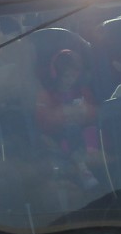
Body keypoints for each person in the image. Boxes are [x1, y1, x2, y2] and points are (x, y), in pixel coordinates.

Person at [35, 48, 101, 190]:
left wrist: (84, 110)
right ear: (56, 74)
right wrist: (62, 113)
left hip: (85, 137)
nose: (70, 80)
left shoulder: (83, 91)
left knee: (90, 129)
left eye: (74, 76)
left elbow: (95, 114)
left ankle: (87, 164)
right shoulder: (47, 96)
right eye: (66, 76)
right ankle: (82, 168)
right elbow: (43, 123)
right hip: (59, 137)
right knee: (72, 128)